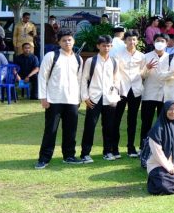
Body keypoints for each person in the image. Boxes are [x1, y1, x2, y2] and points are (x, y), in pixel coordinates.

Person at [35, 31, 83, 168]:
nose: (67, 42)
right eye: (64, 40)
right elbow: (42, 77)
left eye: (69, 40)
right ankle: (44, 158)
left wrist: (79, 98)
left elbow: (79, 80)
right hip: (54, 99)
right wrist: (43, 98)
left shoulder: (78, 59)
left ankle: (69, 156)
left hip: (72, 100)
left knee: (71, 131)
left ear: (73, 41)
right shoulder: (51, 56)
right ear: (59, 42)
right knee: (50, 130)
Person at [80, 35, 123, 163]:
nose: (106, 48)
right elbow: (84, 80)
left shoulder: (114, 61)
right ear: (98, 46)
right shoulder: (91, 61)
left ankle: (108, 151)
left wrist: (115, 96)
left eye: (109, 45)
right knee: (90, 126)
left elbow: (117, 80)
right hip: (94, 98)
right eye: (104, 45)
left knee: (109, 126)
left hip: (109, 99)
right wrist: (85, 97)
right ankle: (85, 153)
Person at [145, 101, 174, 195]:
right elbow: (157, 153)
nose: (173, 112)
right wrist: (169, 167)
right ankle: (156, 182)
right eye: (170, 109)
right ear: (165, 110)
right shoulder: (157, 129)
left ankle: (168, 182)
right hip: (158, 164)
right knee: (164, 185)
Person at [114, 30, 144, 158]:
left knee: (132, 120)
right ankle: (114, 148)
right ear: (124, 41)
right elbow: (114, 72)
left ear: (137, 41)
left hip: (136, 90)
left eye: (134, 39)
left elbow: (143, 72)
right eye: (129, 39)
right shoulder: (118, 54)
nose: (132, 42)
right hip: (121, 89)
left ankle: (131, 148)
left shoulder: (142, 56)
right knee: (117, 119)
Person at [139, 33, 171, 145]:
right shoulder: (146, 56)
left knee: (163, 122)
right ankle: (143, 146)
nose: (160, 43)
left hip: (164, 95)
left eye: (163, 41)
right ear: (153, 42)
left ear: (167, 43)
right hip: (149, 93)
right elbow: (141, 76)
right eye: (158, 40)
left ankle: (160, 145)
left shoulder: (170, 57)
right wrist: (147, 68)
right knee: (146, 122)